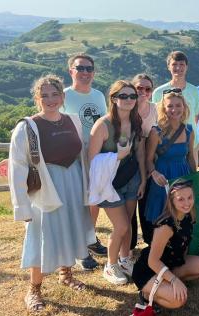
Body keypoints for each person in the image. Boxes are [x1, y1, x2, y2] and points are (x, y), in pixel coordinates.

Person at [9, 75, 95, 312]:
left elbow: (82, 155)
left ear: (62, 96)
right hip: (45, 188)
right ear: (37, 98)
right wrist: (23, 206)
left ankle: (66, 274)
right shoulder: (28, 127)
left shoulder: (74, 121)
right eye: (44, 95)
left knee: (68, 228)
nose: (50, 99)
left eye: (55, 94)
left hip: (73, 183)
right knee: (42, 235)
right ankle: (34, 288)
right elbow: (17, 167)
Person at [88, 80, 146, 285]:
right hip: (109, 184)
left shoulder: (136, 121)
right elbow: (91, 160)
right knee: (121, 226)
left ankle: (124, 259)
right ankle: (111, 265)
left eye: (132, 96)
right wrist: (117, 157)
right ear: (113, 99)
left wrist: (143, 179)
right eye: (123, 96)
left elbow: (140, 152)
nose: (129, 100)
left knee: (128, 224)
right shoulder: (103, 125)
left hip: (132, 179)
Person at [60, 53, 107, 270]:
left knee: (93, 200)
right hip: (72, 157)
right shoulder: (63, 96)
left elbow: (105, 124)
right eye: (80, 68)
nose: (85, 72)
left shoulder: (98, 96)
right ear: (71, 71)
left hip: (96, 155)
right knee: (77, 202)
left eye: (89, 69)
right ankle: (78, 248)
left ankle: (90, 238)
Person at [132, 180, 199, 309]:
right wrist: (174, 280)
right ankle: (145, 294)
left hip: (170, 264)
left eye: (189, 197)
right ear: (172, 201)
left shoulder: (188, 215)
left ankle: (166, 284)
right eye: (181, 199)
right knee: (178, 300)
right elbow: (153, 261)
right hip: (148, 270)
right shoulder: (165, 226)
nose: (186, 203)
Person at [144, 91, 195, 243]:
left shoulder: (189, 130)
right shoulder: (156, 132)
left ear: (184, 107)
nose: (174, 109)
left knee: (182, 212)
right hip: (163, 178)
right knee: (162, 215)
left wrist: (195, 178)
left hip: (182, 175)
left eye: (178, 105)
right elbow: (148, 159)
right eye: (170, 106)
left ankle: (179, 245)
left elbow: (190, 156)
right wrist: (153, 173)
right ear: (164, 109)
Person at [151, 51, 199, 168]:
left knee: (192, 178)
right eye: (174, 64)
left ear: (187, 67)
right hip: (167, 144)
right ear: (168, 67)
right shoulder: (159, 92)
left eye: (182, 64)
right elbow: (156, 118)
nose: (178, 68)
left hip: (191, 142)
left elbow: (195, 116)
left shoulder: (194, 91)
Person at [130, 74, 158, 252]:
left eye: (147, 89)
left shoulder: (156, 109)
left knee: (148, 203)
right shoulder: (126, 109)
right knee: (130, 205)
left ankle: (150, 240)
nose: (143, 92)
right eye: (139, 88)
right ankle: (130, 244)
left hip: (150, 162)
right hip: (129, 164)